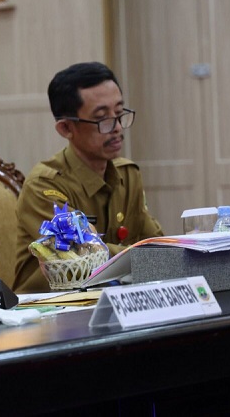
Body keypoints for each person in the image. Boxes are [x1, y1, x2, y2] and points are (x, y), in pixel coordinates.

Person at [14, 62, 163, 292]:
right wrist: (139, 255)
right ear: (66, 129)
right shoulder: (45, 186)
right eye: (103, 118)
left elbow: (158, 248)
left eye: (120, 112)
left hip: (115, 300)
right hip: (51, 311)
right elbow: (81, 258)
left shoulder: (128, 174)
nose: (117, 128)